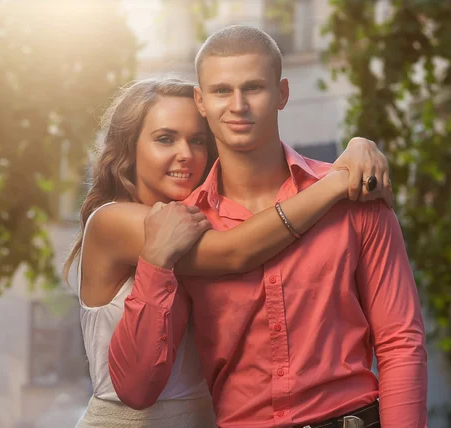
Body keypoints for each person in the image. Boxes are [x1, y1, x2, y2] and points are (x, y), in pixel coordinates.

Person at [108, 26, 427, 428]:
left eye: (254, 88)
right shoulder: (183, 228)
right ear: (201, 101)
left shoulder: (355, 196)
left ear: (282, 93)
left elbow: (401, 342)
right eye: (222, 90)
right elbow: (136, 389)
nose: (238, 105)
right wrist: (156, 264)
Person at [64, 76, 393, 428]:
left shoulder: (203, 219)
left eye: (198, 140)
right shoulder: (112, 221)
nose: (186, 154)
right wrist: (336, 182)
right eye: (165, 138)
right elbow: (234, 253)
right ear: (129, 147)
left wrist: (360, 148)